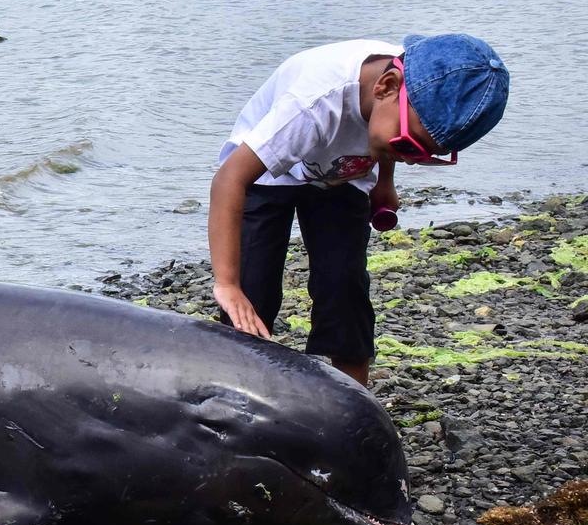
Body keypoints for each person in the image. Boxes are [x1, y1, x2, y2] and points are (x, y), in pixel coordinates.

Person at [207, 35, 509, 386]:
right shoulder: (312, 105)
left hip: (341, 173)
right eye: (409, 147)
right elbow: (229, 180)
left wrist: (385, 183)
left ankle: (351, 402)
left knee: (345, 286)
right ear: (385, 86)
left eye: (425, 156)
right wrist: (227, 284)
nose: (411, 159)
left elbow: (389, 138)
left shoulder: (407, 91)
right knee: (253, 288)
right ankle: (237, 392)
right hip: (267, 173)